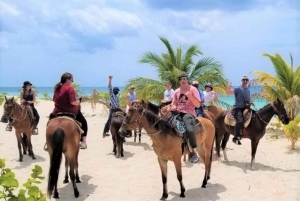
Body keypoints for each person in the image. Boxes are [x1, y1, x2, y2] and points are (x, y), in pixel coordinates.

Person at [48, 72, 88, 149]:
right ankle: (83, 142)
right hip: (71, 111)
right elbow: (72, 102)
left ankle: (48, 142)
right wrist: (78, 102)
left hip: (57, 111)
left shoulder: (56, 89)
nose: (72, 82)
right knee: (84, 122)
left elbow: (54, 100)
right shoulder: (70, 89)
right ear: (67, 80)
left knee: (50, 121)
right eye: (72, 80)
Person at [169, 73, 201, 163]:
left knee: (189, 129)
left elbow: (198, 104)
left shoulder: (193, 89)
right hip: (177, 112)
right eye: (181, 79)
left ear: (188, 80)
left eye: (185, 78)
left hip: (189, 112)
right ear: (179, 81)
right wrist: (173, 106)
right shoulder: (176, 91)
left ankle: (193, 152)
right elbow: (174, 103)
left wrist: (190, 96)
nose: (183, 80)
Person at [227, 76, 254, 145]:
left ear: (248, 81)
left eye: (246, 80)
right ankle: (235, 137)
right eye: (243, 80)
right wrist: (228, 87)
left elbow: (247, 100)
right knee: (240, 121)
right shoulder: (238, 88)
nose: (245, 81)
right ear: (241, 81)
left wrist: (250, 102)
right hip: (237, 107)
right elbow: (229, 92)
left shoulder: (248, 90)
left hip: (244, 107)